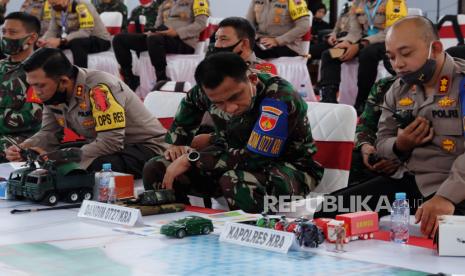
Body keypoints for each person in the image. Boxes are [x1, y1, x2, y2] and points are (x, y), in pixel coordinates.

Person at [314, 16, 465, 239]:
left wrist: (447, 197)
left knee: (449, 239)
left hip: (455, 185)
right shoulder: (399, 88)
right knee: (328, 211)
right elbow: (382, 141)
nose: (398, 64)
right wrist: (400, 145)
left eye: (405, 54)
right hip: (408, 183)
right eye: (391, 57)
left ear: (435, 48)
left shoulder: (462, 84)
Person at [143, 52, 323, 213]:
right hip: (229, 160)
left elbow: (254, 159)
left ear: (252, 79)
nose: (230, 107)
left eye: (235, 97)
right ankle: (180, 221)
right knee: (157, 167)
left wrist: (193, 159)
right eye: (218, 103)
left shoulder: (279, 98)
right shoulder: (212, 89)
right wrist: (179, 143)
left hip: (288, 167)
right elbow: (191, 101)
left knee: (237, 181)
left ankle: (250, 237)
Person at [5, 48, 168, 177]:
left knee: (87, 167)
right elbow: (49, 132)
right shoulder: (53, 92)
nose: (36, 91)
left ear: (63, 81)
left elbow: (111, 142)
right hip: (107, 146)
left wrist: (62, 156)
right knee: (61, 160)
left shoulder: (100, 90)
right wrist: (25, 147)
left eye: (40, 85)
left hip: (146, 148)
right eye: (32, 85)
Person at [318, 0, 407, 114]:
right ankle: (329, 99)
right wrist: (347, 42)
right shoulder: (358, 3)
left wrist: (360, 45)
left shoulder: (394, 2)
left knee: (367, 54)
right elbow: (355, 30)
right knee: (330, 54)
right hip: (361, 42)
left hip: (386, 42)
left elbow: (390, 32)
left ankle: (362, 101)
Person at [113, 0, 210, 90]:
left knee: (154, 39)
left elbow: (200, 24)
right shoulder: (166, 3)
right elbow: (158, 25)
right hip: (161, 38)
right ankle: (130, 79)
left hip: (183, 41)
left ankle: (162, 79)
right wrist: (153, 31)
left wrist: (177, 32)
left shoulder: (198, 1)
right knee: (119, 39)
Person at [0, 12, 43, 162]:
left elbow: (32, 116)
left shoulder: (40, 70)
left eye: (12, 32)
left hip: (23, 139)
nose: (5, 37)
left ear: (32, 38)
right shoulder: (1, 66)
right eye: (4, 32)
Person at [348, 76, 400, 185]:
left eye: (405, 57)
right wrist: (365, 145)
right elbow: (365, 125)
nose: (398, 64)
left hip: (414, 162)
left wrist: (400, 158)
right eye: (392, 58)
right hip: (381, 153)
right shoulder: (384, 85)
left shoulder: (434, 87)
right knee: (352, 158)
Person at [37, 0, 111, 68]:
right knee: (44, 44)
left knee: (76, 43)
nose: (53, 6)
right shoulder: (55, 9)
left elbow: (85, 32)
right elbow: (52, 30)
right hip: (74, 38)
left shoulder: (82, 6)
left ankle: (81, 75)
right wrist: (44, 40)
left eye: (55, 3)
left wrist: (62, 40)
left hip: (99, 39)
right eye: (51, 4)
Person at [246, 0, 311, 59]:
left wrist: (277, 41)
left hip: (286, 44)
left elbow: (304, 26)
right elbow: (248, 23)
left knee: (251, 52)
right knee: (240, 47)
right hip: (260, 40)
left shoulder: (294, 1)